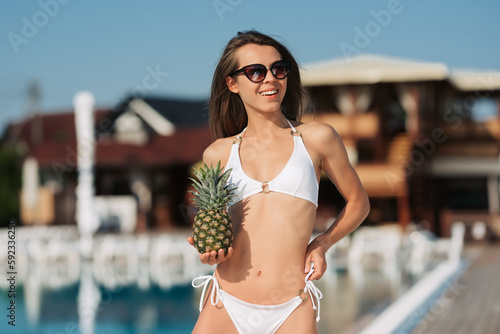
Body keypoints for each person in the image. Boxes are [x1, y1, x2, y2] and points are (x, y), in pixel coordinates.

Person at [187, 30, 370, 334]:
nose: (270, 78)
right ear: (232, 83)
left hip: (292, 307)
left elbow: (358, 202)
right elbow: (216, 223)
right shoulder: (217, 153)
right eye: (255, 72)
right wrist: (210, 250)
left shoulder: (317, 138)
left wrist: (322, 243)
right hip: (226, 303)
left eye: (278, 69)